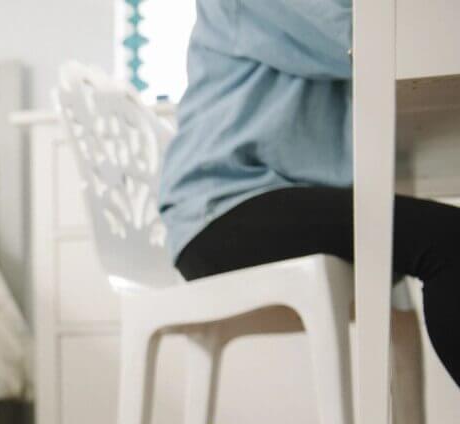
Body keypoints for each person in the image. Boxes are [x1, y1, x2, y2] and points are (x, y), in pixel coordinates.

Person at [158, 0, 460, 387]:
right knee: (448, 240)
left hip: (250, 200)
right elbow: (371, 38)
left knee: (441, 238)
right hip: (223, 207)